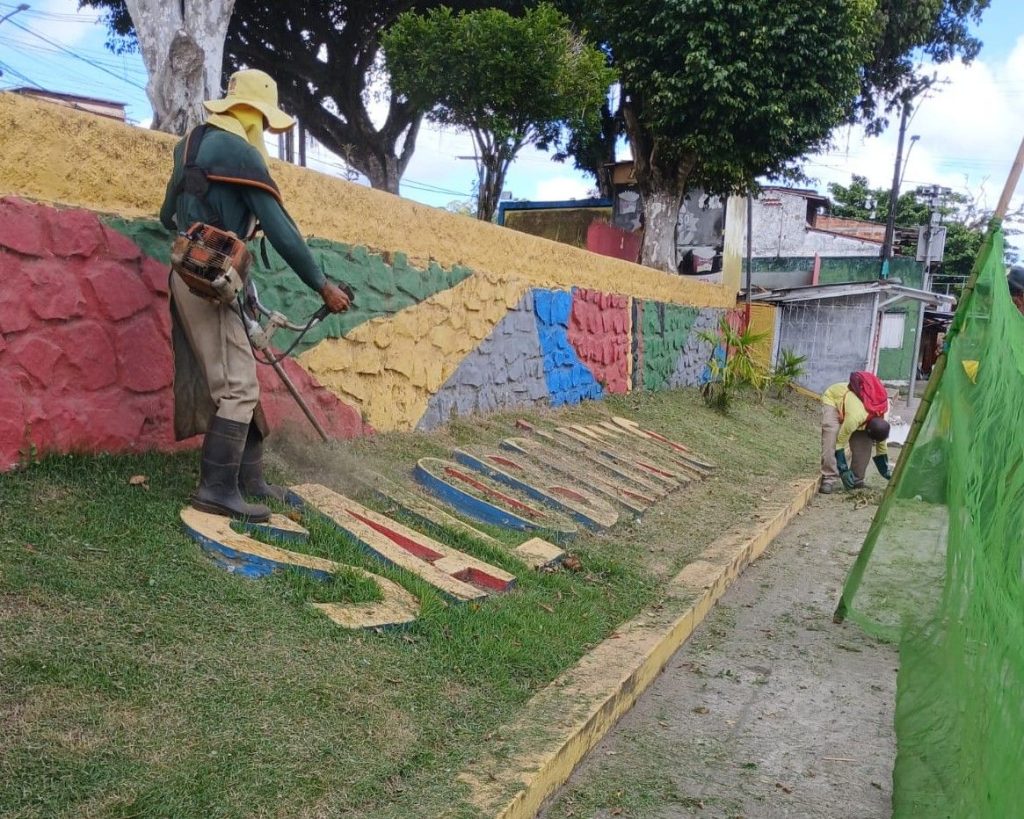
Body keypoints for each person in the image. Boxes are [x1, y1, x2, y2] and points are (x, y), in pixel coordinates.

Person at [160, 69, 350, 522]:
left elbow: (168, 215)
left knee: (238, 375)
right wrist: (322, 284)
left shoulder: (188, 146)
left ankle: (250, 479)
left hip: (188, 273)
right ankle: (216, 490)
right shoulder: (240, 152)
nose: (262, 131)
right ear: (254, 115)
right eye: (263, 122)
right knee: (238, 386)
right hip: (214, 282)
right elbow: (281, 229)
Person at [819, 381, 892, 494]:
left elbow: (881, 446)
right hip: (835, 398)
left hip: (858, 408)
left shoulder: (882, 417)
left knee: (864, 443)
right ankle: (829, 478)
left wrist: (887, 473)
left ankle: (856, 479)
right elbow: (839, 444)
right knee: (831, 435)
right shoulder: (854, 419)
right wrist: (843, 470)